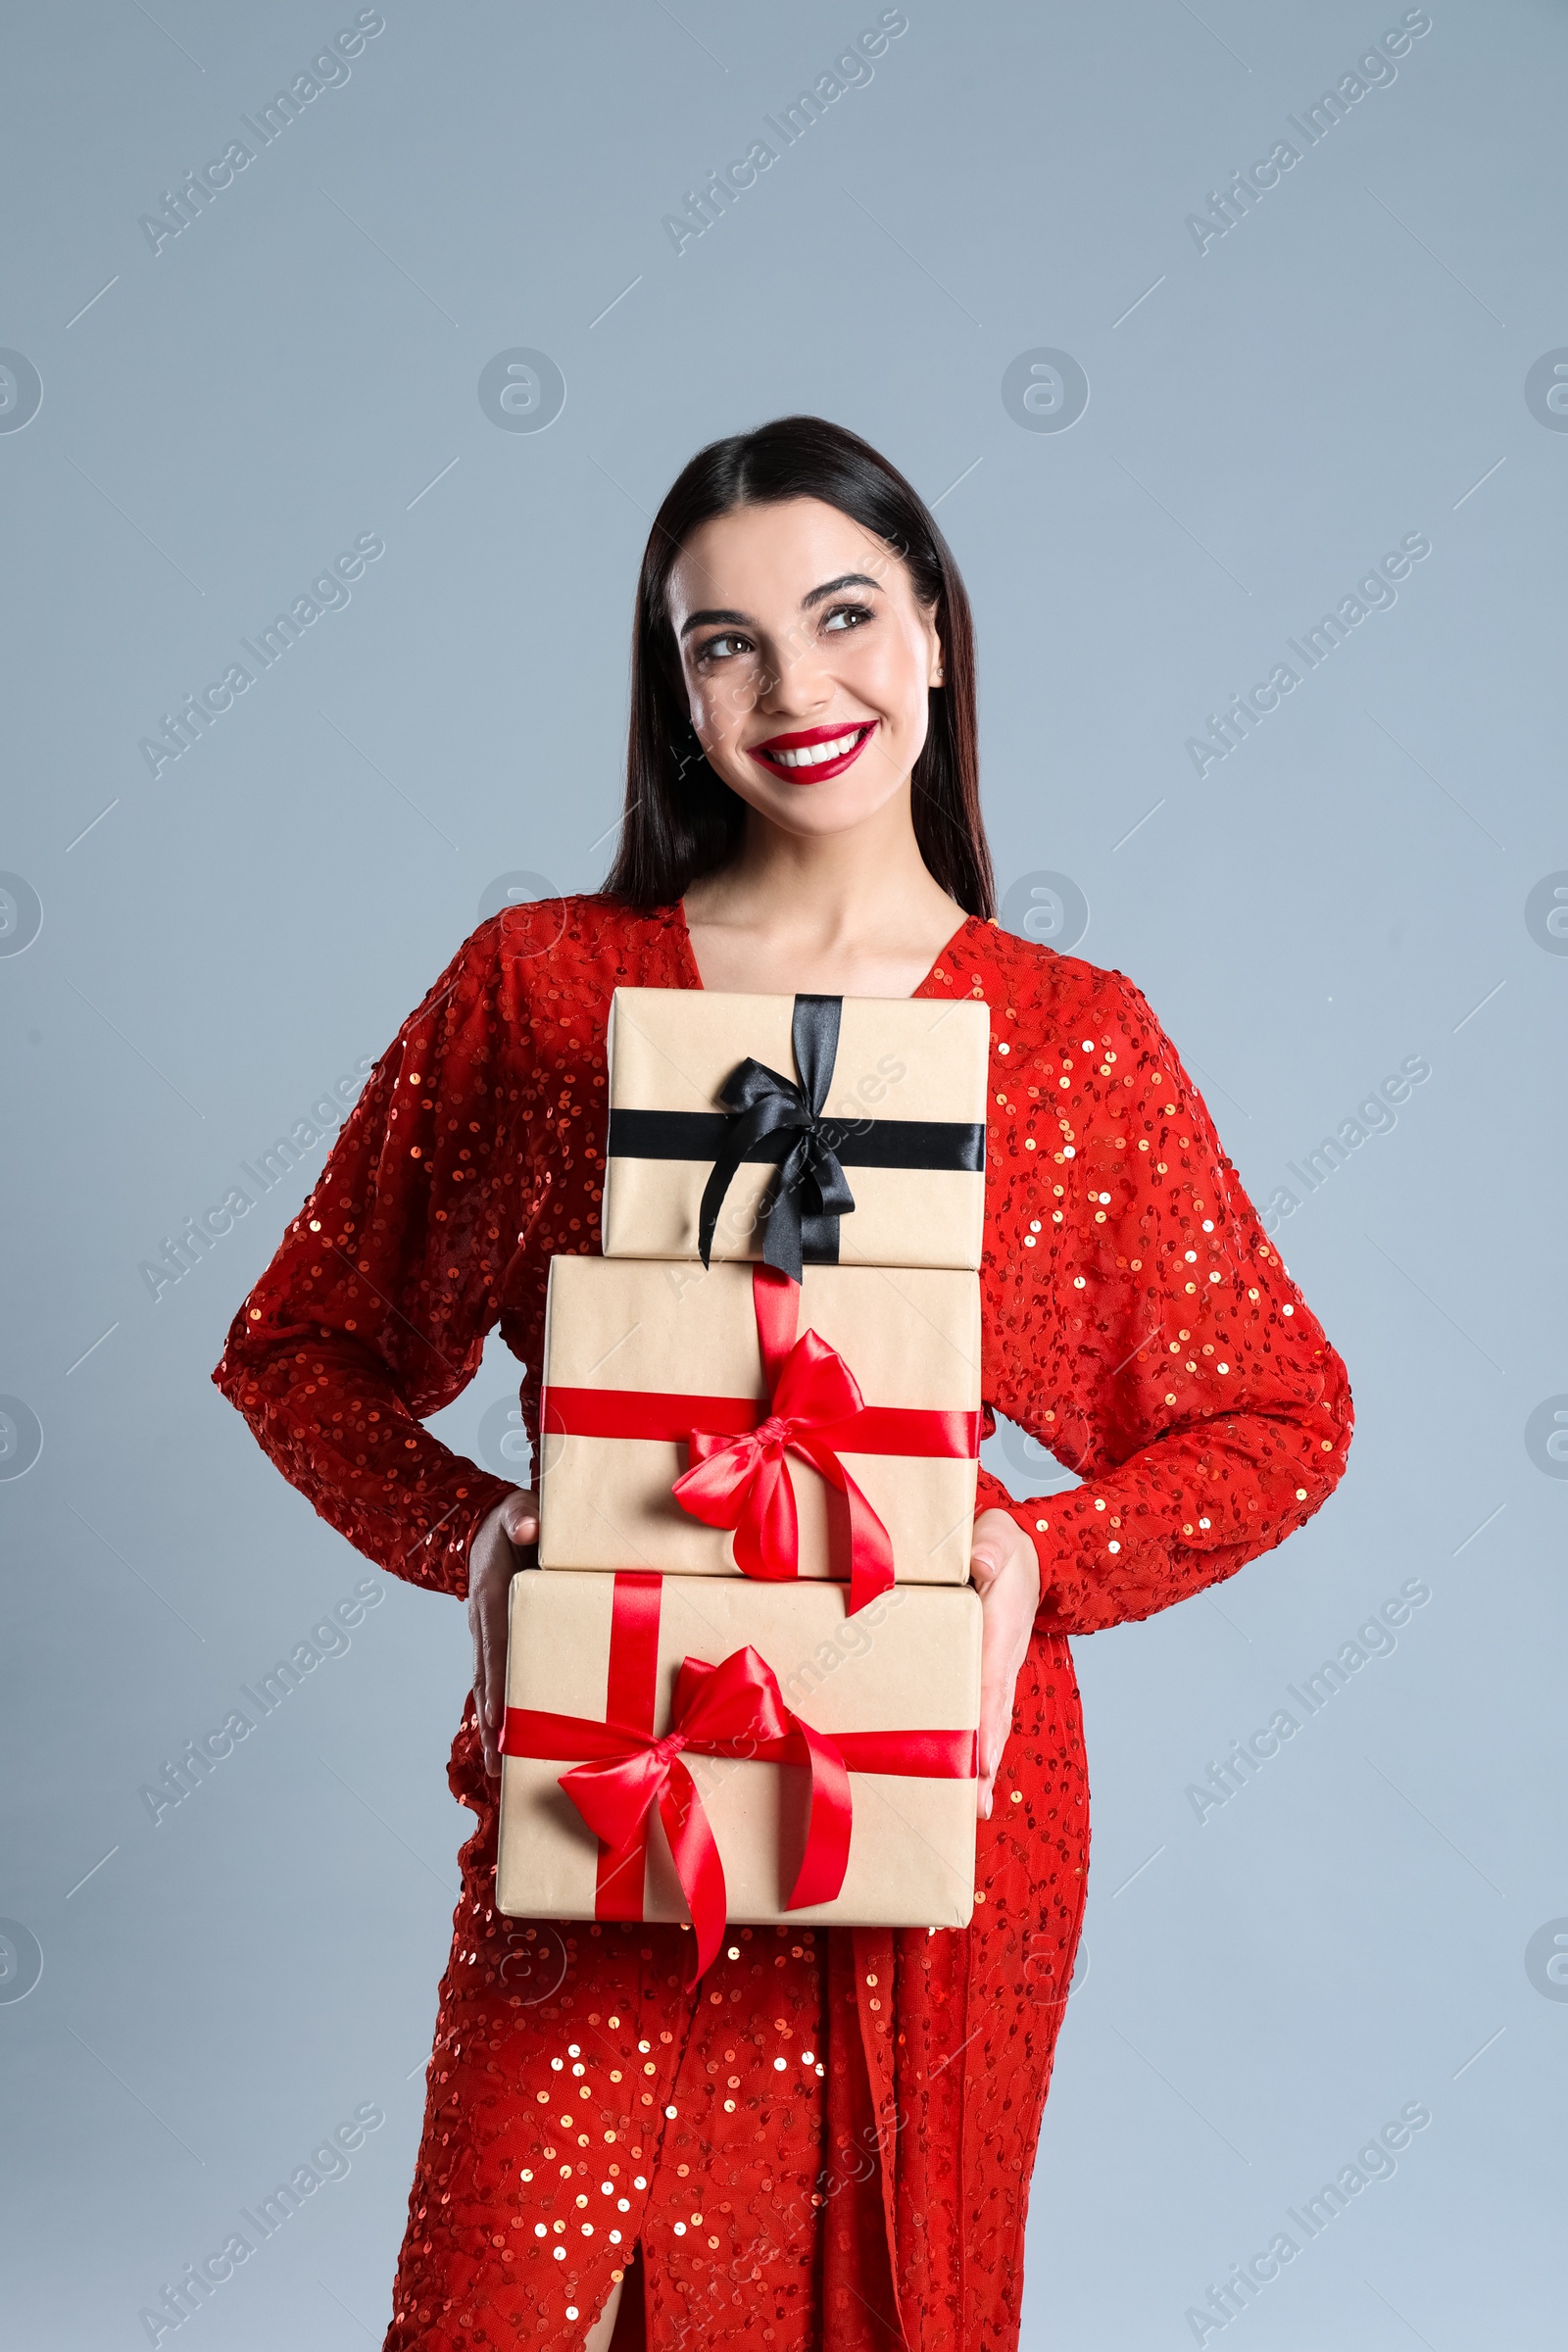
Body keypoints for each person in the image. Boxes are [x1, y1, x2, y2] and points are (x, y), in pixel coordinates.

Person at [214, 415, 1351, 2351]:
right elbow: (297, 1346)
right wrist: (486, 1537)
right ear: (673, 691)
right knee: (512, 2296)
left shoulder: (1072, 1044)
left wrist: (1032, 1560)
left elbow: (1279, 1413)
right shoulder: (544, 993)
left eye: (837, 613)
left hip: (928, 1793)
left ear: (930, 633)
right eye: (719, 641)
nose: (788, 683)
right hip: (613, 1758)